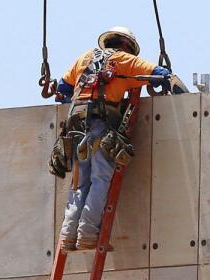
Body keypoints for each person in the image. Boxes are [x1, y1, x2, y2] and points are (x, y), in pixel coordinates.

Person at [52, 27, 170, 250]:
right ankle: (87, 234)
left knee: (79, 184)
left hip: (74, 128)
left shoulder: (85, 58)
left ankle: (68, 237)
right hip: (100, 124)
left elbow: (62, 87)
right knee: (100, 179)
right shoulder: (123, 60)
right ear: (127, 46)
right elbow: (159, 73)